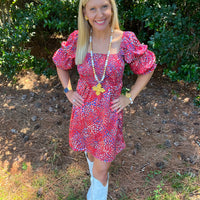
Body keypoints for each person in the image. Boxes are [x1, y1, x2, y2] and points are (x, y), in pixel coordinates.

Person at [52, 0, 156, 199]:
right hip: (84, 112)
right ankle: (95, 186)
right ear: (85, 13)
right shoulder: (78, 38)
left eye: (104, 7)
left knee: (101, 170)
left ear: (112, 9)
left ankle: (96, 192)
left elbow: (147, 66)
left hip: (109, 115)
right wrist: (68, 91)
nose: (100, 14)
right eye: (93, 8)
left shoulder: (125, 40)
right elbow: (60, 62)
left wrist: (129, 96)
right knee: (91, 156)